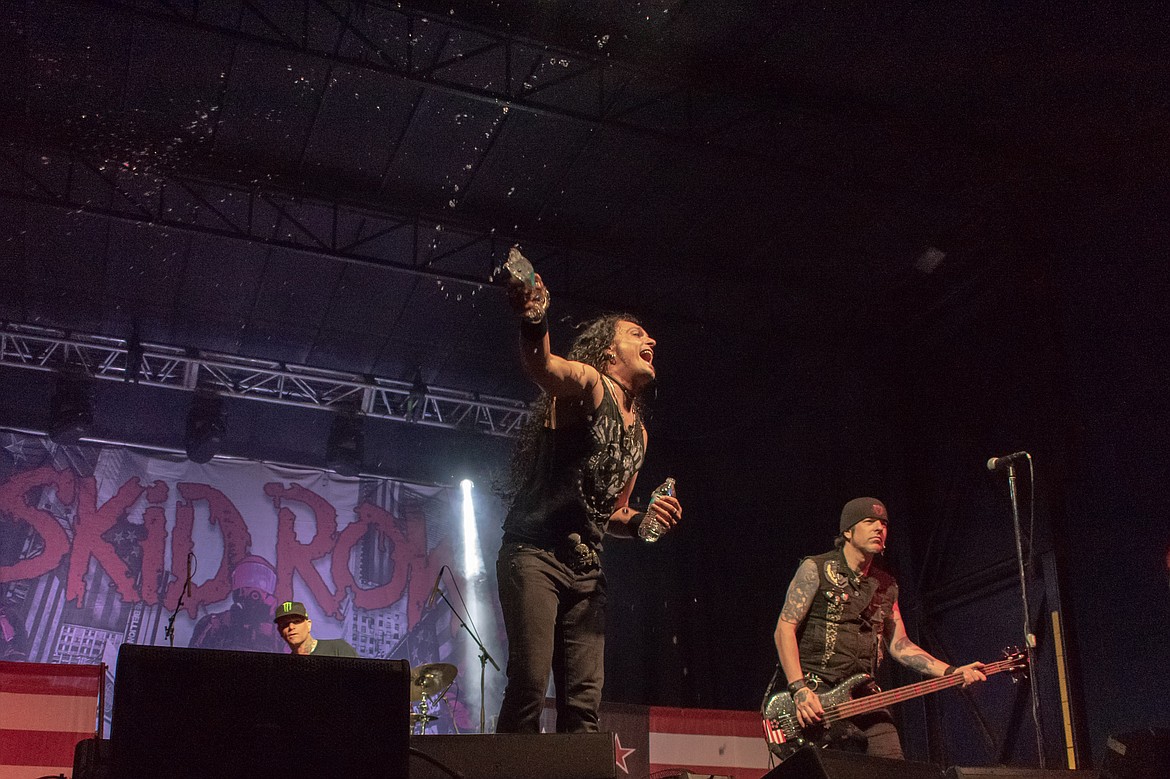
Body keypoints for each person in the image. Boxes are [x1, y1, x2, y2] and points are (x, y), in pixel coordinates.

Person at [495, 271, 682, 734]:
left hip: (586, 570)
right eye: (636, 334)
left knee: (583, 706)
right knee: (529, 685)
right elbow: (545, 368)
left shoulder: (639, 433)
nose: (651, 339)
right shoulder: (590, 383)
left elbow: (612, 510)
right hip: (535, 554)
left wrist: (642, 521)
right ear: (607, 352)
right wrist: (535, 318)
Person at [769, 497, 986, 759]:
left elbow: (900, 645)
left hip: (864, 694)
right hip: (817, 693)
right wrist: (800, 690)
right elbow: (784, 629)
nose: (879, 528)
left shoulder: (886, 584)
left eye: (883, 523)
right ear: (847, 532)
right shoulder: (815, 568)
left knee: (892, 765)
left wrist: (951, 672)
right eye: (869, 522)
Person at [273, 600, 358, 657]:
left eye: (296, 621)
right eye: (285, 624)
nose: (291, 627)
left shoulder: (338, 649)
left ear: (308, 625)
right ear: (280, 631)